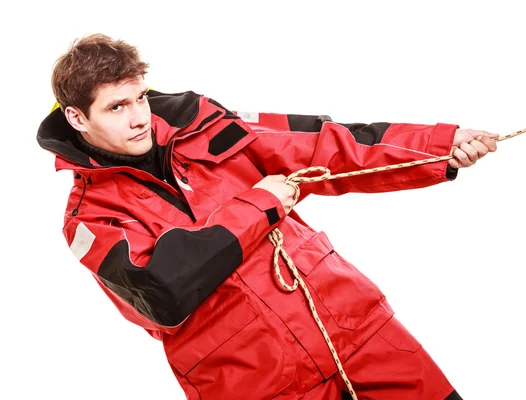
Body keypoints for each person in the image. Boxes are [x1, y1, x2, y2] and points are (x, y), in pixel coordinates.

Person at [37, 33, 497, 400]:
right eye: (117, 107)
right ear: (77, 118)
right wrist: (261, 204)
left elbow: (321, 143)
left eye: (140, 98)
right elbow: (161, 294)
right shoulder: (89, 219)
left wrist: (441, 147)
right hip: (258, 383)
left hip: (357, 333)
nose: (139, 117)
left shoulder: (204, 122)